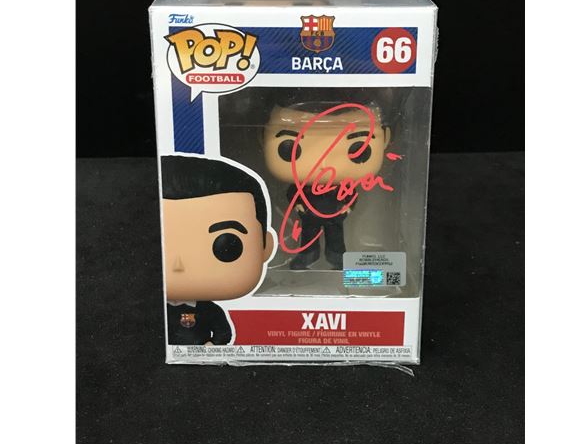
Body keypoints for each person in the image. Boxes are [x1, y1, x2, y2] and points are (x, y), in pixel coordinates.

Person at [263, 96, 391, 270]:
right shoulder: (304, 186)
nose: (324, 164)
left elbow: (352, 195)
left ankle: (337, 259)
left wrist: (347, 208)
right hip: (309, 215)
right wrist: (298, 205)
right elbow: (292, 193)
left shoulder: (341, 185)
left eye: (358, 148)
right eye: (290, 148)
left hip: (334, 215)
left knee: (335, 238)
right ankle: (308, 256)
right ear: (263, 138)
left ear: (385, 139)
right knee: (308, 237)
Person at [161, 155, 275, 345]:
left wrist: (213, 346)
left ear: (266, 247)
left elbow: (223, 332)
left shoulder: (209, 310)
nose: (178, 265)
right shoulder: (154, 310)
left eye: (226, 246)